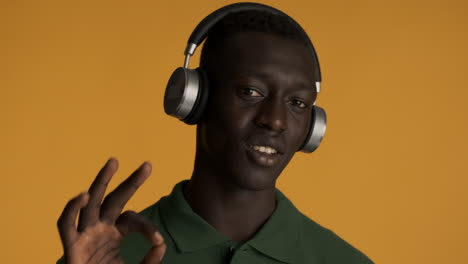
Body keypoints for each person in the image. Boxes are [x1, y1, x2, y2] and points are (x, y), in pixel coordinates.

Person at [57, 3, 374, 264]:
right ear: (195, 98)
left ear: (312, 126)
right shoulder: (105, 254)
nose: (275, 120)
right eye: (251, 92)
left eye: (298, 103)